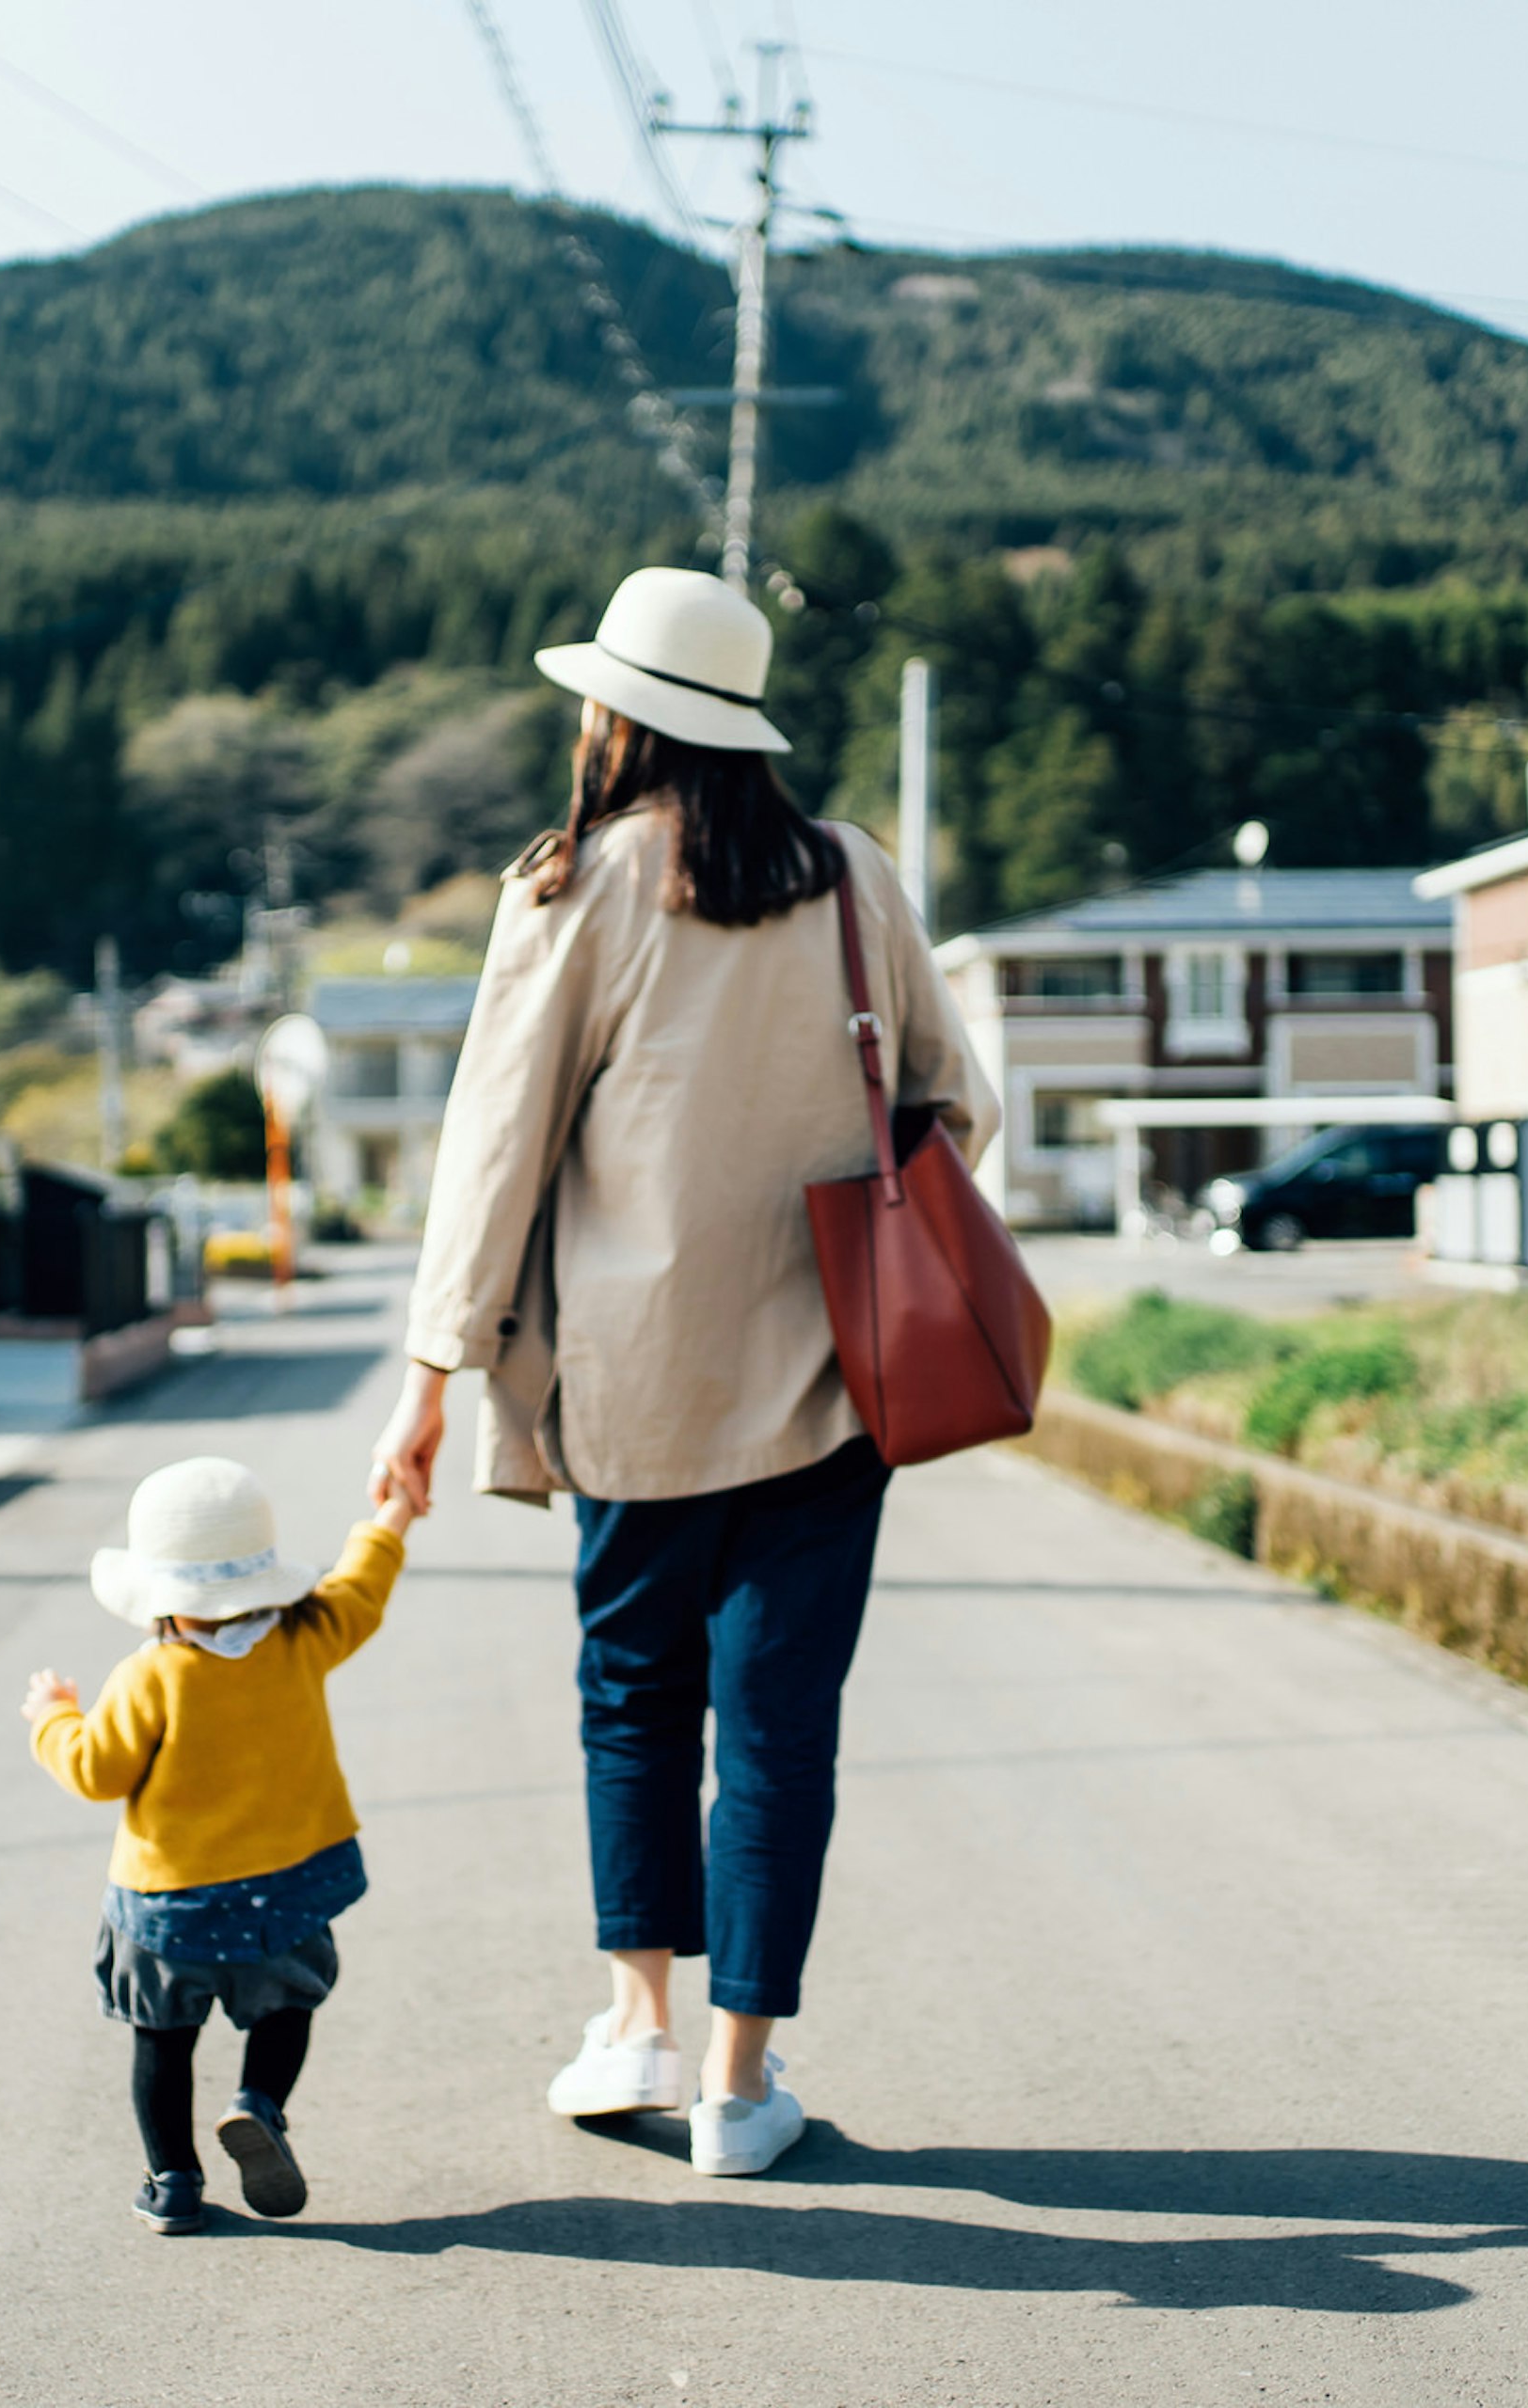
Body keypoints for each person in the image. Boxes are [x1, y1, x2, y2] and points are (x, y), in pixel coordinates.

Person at [372, 565, 997, 2178]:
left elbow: (495, 1147)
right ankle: (741, 2084)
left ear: (621, 716)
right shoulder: (853, 875)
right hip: (835, 1382)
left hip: (633, 1391)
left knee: (635, 1707)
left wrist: (434, 1373)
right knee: (782, 1728)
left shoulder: (571, 883)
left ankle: (634, 2028)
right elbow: (956, 1103)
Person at [27, 1455, 415, 2235]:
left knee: (163, 2041)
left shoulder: (153, 1675)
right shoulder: (305, 1636)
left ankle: (172, 2183)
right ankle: (259, 2103)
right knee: (288, 2007)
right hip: (288, 1892)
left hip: (174, 1902)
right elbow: (361, 1590)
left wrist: (53, 1716)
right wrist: (393, 1514)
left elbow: (96, 1771)